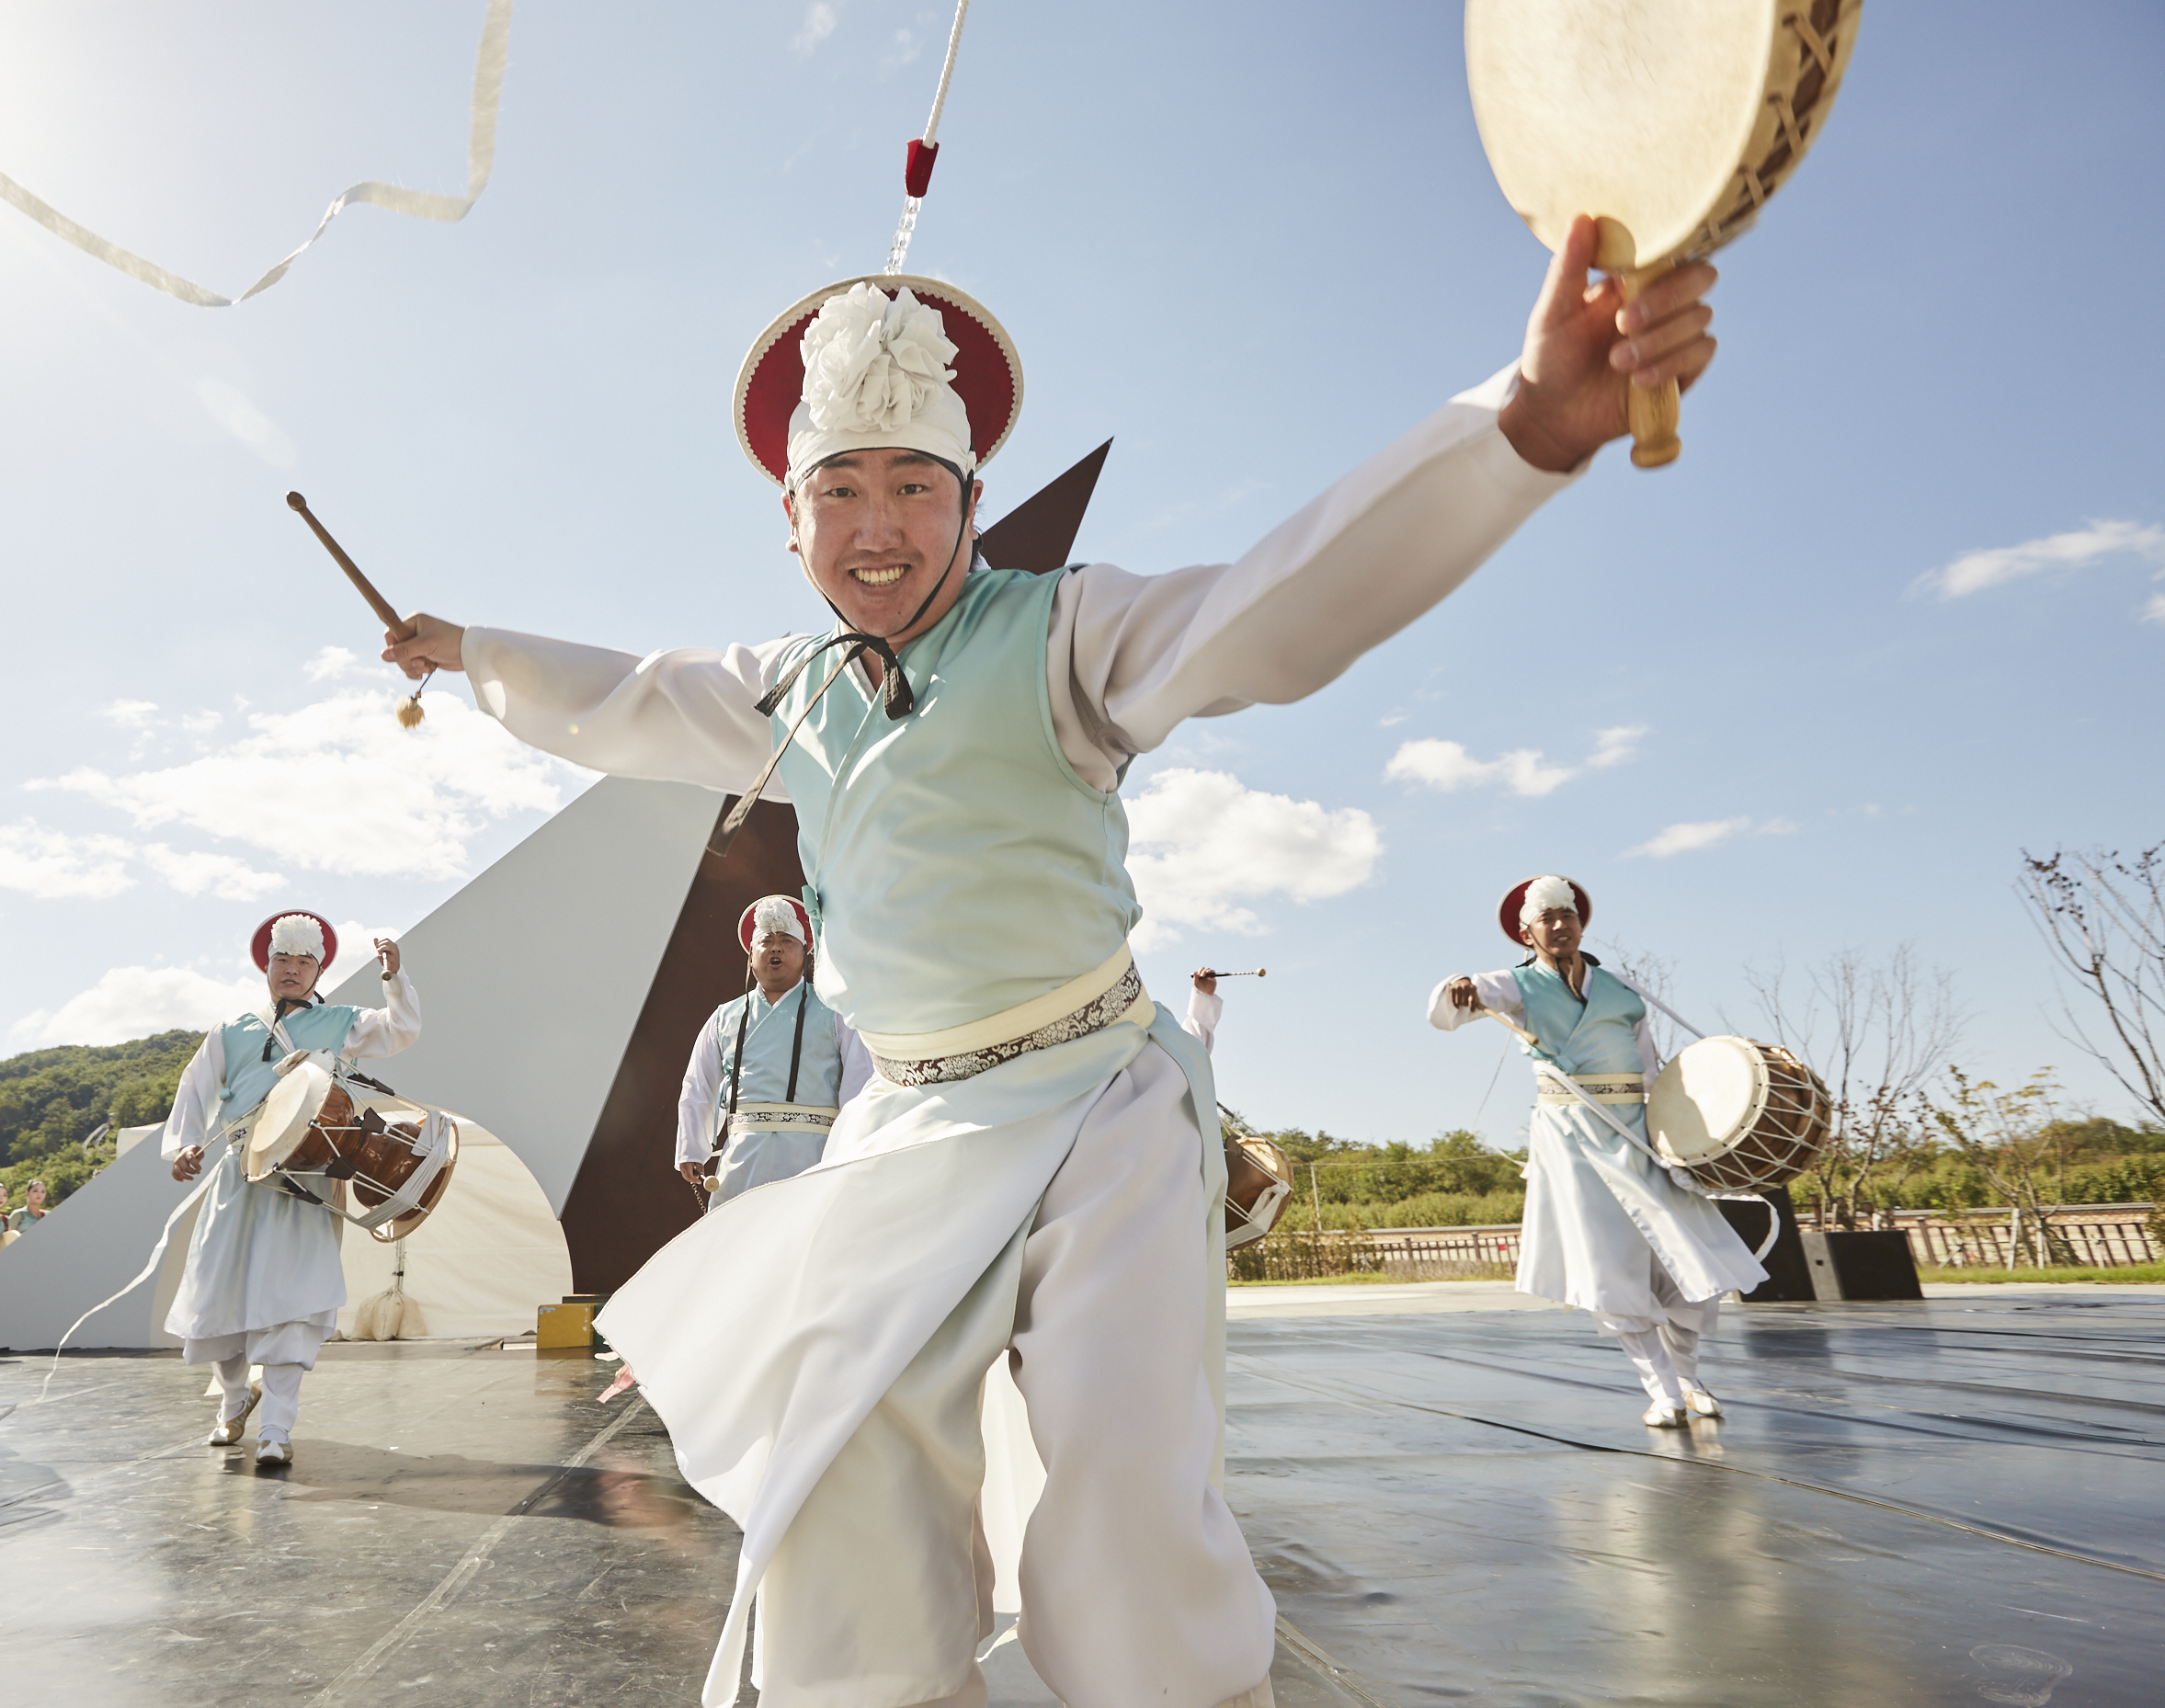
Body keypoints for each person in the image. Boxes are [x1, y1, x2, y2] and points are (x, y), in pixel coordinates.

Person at [379, 223, 1718, 1707]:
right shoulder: (788, 691)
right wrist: (469, 649)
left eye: (913, 485)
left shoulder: (1071, 630)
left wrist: (1518, 431)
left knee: (1120, 1499)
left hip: (1097, 1109)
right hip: (905, 1129)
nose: (876, 525)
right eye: (839, 489)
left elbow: (1265, 608)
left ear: (972, 502)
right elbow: (623, 696)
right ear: (789, 518)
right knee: (841, 1477)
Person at [1429, 875, 1767, 1426]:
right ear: (1527, 933)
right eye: (1547, 918)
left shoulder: (1621, 987)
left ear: (1580, 924)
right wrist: (1457, 984)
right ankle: (1663, 1392)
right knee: (1610, 1267)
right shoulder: (1517, 984)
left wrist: (1679, 1134)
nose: (1560, 925)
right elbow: (1448, 1009)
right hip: (1572, 1139)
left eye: (1567, 915)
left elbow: (1651, 1068)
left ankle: (1689, 1378)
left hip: (1638, 1131)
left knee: (1692, 1261)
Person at [160, 912, 420, 1466]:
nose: (292, 970)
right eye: (283, 959)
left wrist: (393, 977)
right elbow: (194, 1088)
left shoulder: (343, 1021)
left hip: (308, 1180)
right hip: (239, 1177)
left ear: (319, 970)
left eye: (304, 962)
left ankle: (276, 1428)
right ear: (267, 965)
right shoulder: (231, 1029)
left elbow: (401, 1030)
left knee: (290, 1304)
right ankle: (235, 1399)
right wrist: (183, 1145)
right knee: (219, 1296)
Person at [677, 894, 873, 1205]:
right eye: (766, 941)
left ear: (806, 953)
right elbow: (698, 1085)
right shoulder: (725, 1017)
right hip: (743, 1154)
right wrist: (691, 1149)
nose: (776, 948)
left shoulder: (835, 1011)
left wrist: (852, 1144)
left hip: (814, 1153)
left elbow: (860, 1080)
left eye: (786, 941)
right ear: (751, 955)